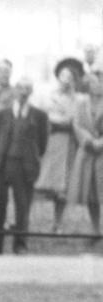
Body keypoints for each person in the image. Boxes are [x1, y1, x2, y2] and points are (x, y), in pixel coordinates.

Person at [0, 77, 48, 253]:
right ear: (15, 90)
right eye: (20, 88)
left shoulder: (39, 115)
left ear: (31, 92)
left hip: (25, 166)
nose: (23, 92)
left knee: (23, 206)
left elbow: (42, 144)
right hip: (3, 164)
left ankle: (20, 245)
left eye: (27, 88)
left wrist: (31, 158)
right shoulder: (2, 114)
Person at [35, 60, 86, 233]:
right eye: (63, 76)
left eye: (70, 77)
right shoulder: (48, 95)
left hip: (68, 144)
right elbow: (42, 117)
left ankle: (57, 222)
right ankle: (36, 220)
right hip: (50, 142)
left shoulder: (78, 99)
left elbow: (75, 121)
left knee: (63, 184)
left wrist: (63, 121)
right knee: (45, 181)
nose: (66, 80)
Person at [70, 69, 103, 237]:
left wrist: (101, 142)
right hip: (88, 153)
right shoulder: (82, 104)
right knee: (91, 194)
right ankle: (96, 229)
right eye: (94, 82)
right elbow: (76, 124)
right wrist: (88, 139)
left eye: (100, 81)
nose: (97, 85)